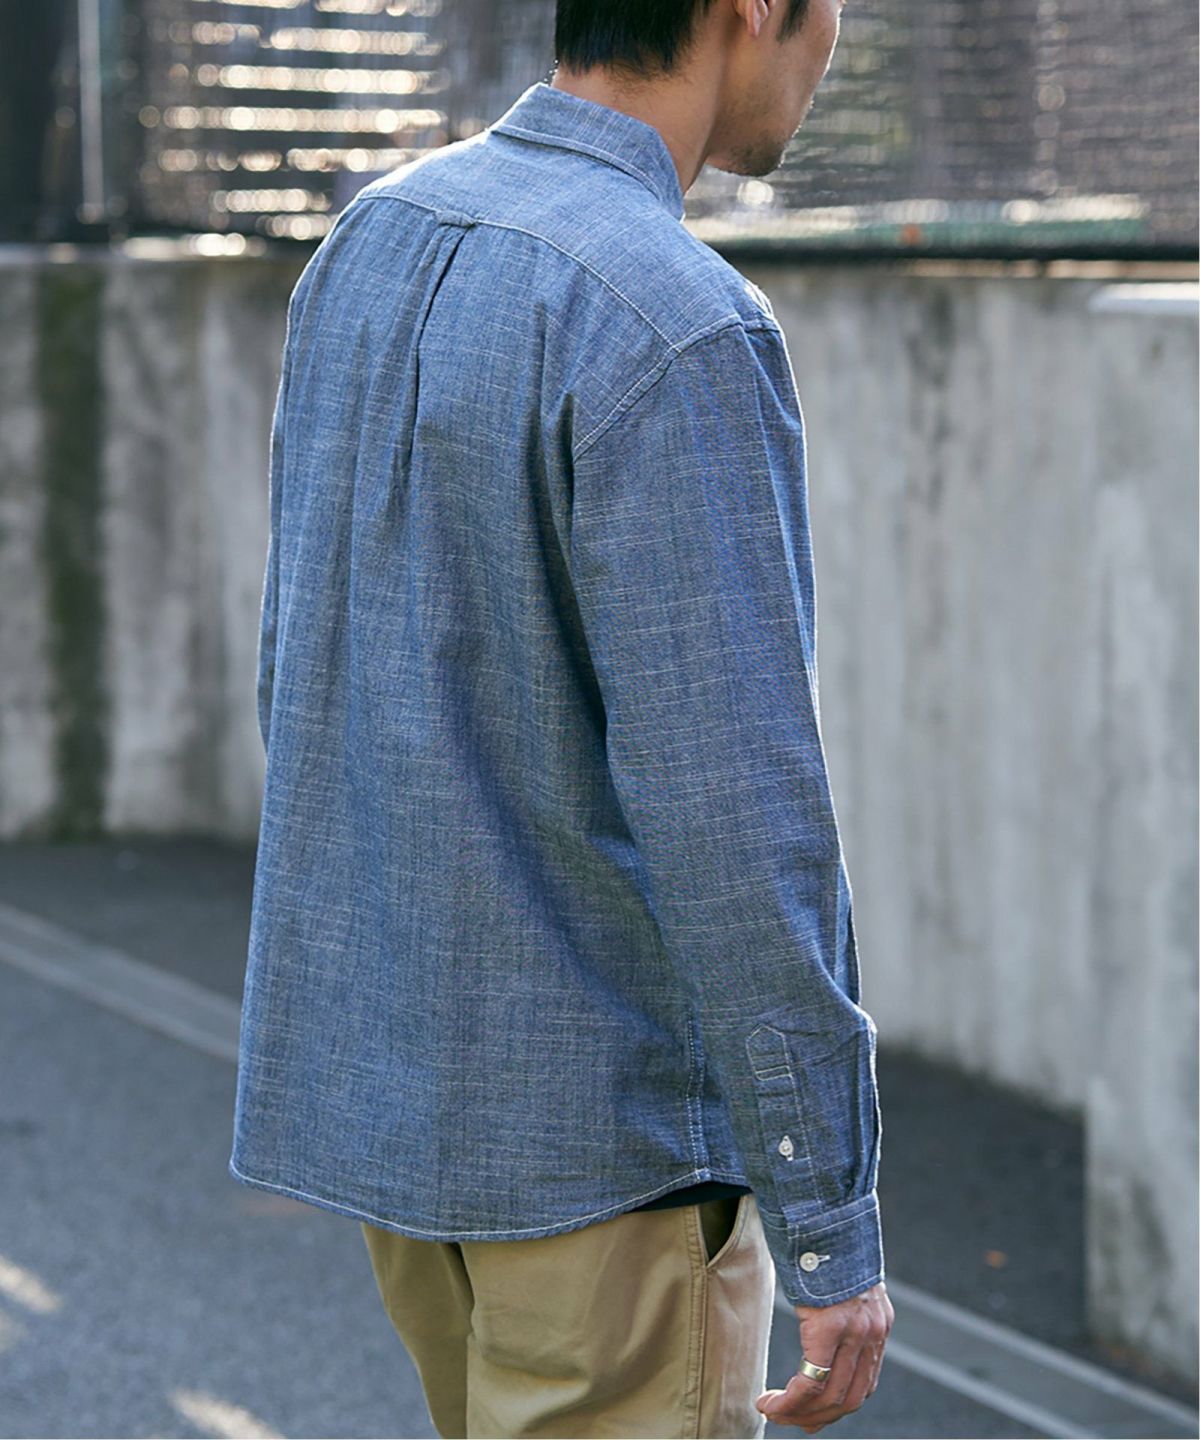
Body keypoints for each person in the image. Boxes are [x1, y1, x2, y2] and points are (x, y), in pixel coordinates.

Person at [228, 0, 895, 1434]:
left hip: (411, 1136)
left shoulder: (370, 242)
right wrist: (831, 1214)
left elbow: (302, 674)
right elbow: (737, 820)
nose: (837, 39)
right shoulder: (677, 322)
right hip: (609, 1164)